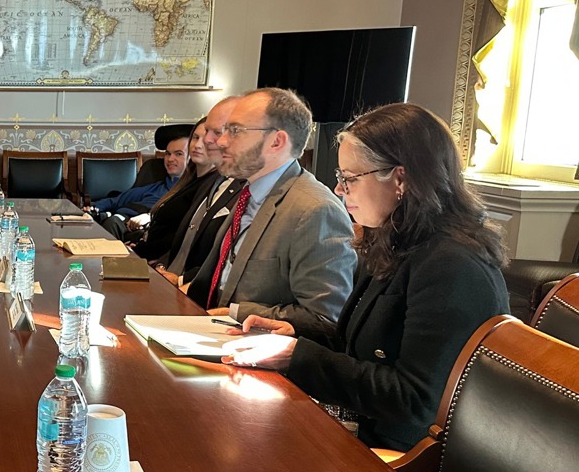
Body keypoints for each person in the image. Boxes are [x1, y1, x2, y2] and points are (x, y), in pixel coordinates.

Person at [222, 103, 509, 452]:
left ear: (400, 178)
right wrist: (296, 334)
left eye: (350, 178)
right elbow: (367, 344)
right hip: (362, 430)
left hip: (398, 456)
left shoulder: (452, 266)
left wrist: (297, 356)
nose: (339, 189)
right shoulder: (396, 239)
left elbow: (416, 401)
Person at [185, 87, 355, 332]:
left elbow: (325, 317)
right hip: (205, 328)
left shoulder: (316, 210)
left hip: (251, 347)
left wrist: (236, 313)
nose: (221, 141)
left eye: (235, 131)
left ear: (276, 141)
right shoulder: (248, 191)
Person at [151, 96, 245, 283]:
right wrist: (160, 267)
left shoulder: (247, 190)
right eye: (200, 135)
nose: (207, 140)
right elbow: (184, 243)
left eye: (217, 132)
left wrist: (181, 280)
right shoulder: (212, 182)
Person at [126, 116, 212, 256]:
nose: (197, 145)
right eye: (195, 137)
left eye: (206, 139)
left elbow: (184, 237)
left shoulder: (212, 185)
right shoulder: (187, 180)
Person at [87, 123, 191, 237]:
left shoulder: (192, 191)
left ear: (192, 157)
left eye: (179, 154)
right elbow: (117, 200)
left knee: (112, 223)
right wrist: (93, 208)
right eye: (168, 154)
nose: (170, 159)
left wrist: (150, 217)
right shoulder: (155, 186)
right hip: (121, 220)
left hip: (150, 233)